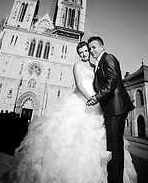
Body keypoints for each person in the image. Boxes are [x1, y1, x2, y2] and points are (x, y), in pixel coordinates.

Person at [9, 41, 137, 183]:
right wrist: (91, 98)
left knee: (105, 141)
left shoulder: (97, 65)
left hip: (97, 103)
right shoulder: (78, 65)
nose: (84, 54)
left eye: (86, 51)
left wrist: (97, 100)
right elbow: (80, 84)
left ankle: (111, 175)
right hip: (83, 101)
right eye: (81, 52)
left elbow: (106, 82)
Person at [87, 36, 136, 183]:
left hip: (116, 107)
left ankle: (115, 180)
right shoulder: (98, 63)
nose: (91, 50)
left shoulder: (108, 58)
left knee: (115, 146)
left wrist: (97, 97)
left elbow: (112, 80)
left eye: (94, 47)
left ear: (102, 47)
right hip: (111, 108)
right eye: (90, 49)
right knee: (113, 144)